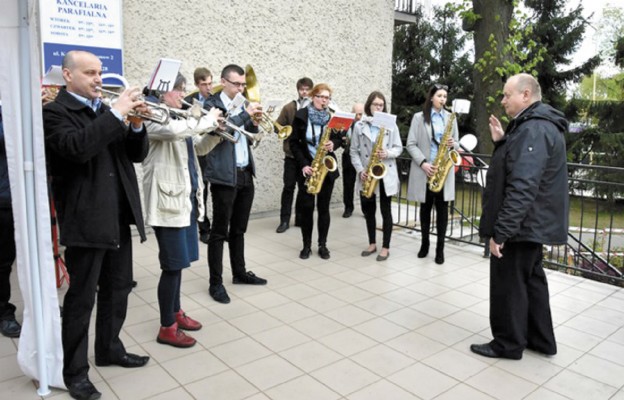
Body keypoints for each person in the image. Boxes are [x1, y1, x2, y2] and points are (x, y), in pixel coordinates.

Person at [43, 50, 150, 400]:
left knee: (119, 288)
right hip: (86, 217)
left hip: (117, 215)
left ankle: (109, 348)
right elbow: (76, 149)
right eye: (89, 72)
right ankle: (73, 371)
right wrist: (118, 113)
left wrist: (135, 125)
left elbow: (134, 155)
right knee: (81, 299)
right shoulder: (55, 113)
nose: (98, 79)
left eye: (100, 72)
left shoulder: (104, 110)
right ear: (67, 75)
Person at [471, 73, 568, 360]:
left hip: (521, 226)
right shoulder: (531, 126)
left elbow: (523, 185)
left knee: (509, 286)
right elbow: (519, 166)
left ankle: (508, 343)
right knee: (532, 282)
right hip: (532, 224)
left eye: (506, 95)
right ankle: (540, 340)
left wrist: (501, 232)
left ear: (525, 95)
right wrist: (502, 141)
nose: (502, 101)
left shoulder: (533, 129)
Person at [142, 74, 222, 347]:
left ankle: (176, 311)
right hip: (167, 202)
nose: (183, 94)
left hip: (185, 200)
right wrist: (207, 119)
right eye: (178, 89)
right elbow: (174, 132)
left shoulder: (177, 116)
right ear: (162, 91)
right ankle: (167, 326)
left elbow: (196, 148)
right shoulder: (151, 113)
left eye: (183, 89)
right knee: (172, 266)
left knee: (180, 265)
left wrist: (215, 135)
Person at [203, 64, 268, 304]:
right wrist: (246, 114)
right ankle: (215, 283)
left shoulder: (243, 103)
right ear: (223, 81)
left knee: (239, 229)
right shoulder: (212, 105)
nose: (241, 88)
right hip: (223, 175)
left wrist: (256, 120)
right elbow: (221, 129)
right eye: (236, 84)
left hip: (244, 173)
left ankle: (239, 273)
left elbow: (250, 135)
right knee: (219, 232)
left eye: (243, 84)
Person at [406, 83, 459, 265]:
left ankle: (440, 249)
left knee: (443, 211)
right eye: (440, 96)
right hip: (426, 170)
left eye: (445, 96)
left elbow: (457, 145)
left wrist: (453, 143)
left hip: (443, 170)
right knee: (425, 209)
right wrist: (423, 164)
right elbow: (411, 144)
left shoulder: (451, 117)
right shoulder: (418, 118)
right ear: (431, 97)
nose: (443, 99)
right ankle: (425, 244)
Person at [289, 83, 343, 260]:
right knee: (306, 208)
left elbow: (340, 139)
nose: (324, 100)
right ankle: (306, 246)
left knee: (324, 208)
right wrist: (304, 164)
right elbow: (294, 143)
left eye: (327, 97)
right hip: (308, 168)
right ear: (313, 97)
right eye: (321, 97)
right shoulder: (301, 115)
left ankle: (322, 245)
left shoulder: (332, 118)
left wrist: (333, 144)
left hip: (326, 168)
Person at [350, 92, 402, 261]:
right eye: (375, 105)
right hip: (367, 173)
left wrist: (386, 153)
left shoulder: (391, 126)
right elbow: (353, 152)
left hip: (384, 173)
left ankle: (385, 247)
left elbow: (398, 148)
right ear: (369, 106)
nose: (378, 107)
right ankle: (372, 243)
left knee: (386, 212)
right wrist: (360, 170)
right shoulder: (359, 126)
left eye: (381, 105)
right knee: (368, 211)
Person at [275, 77, 313, 233]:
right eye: (302, 89)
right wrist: (282, 130)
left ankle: (300, 218)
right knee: (288, 187)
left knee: (304, 189)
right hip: (291, 155)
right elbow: (278, 127)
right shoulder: (289, 107)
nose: (304, 91)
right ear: (298, 90)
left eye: (307, 89)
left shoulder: (314, 107)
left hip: (306, 157)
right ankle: (284, 220)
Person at [184, 67, 214, 243]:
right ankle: (203, 228)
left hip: (213, 149)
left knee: (214, 190)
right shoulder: (188, 101)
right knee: (201, 190)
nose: (208, 88)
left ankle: (215, 228)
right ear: (197, 84)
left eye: (210, 83)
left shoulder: (216, 100)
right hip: (198, 150)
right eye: (204, 84)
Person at [0, 105, 21, 338]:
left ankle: (39, 305)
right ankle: (4, 313)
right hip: (4, 199)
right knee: (3, 263)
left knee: (35, 256)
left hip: (28, 200)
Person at [340, 103, 363, 218]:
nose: (359, 117)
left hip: (362, 158)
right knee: (348, 184)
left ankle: (366, 209)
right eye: (356, 114)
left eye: (361, 114)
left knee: (364, 183)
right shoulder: (346, 124)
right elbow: (340, 140)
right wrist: (343, 140)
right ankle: (348, 208)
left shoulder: (366, 125)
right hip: (348, 157)